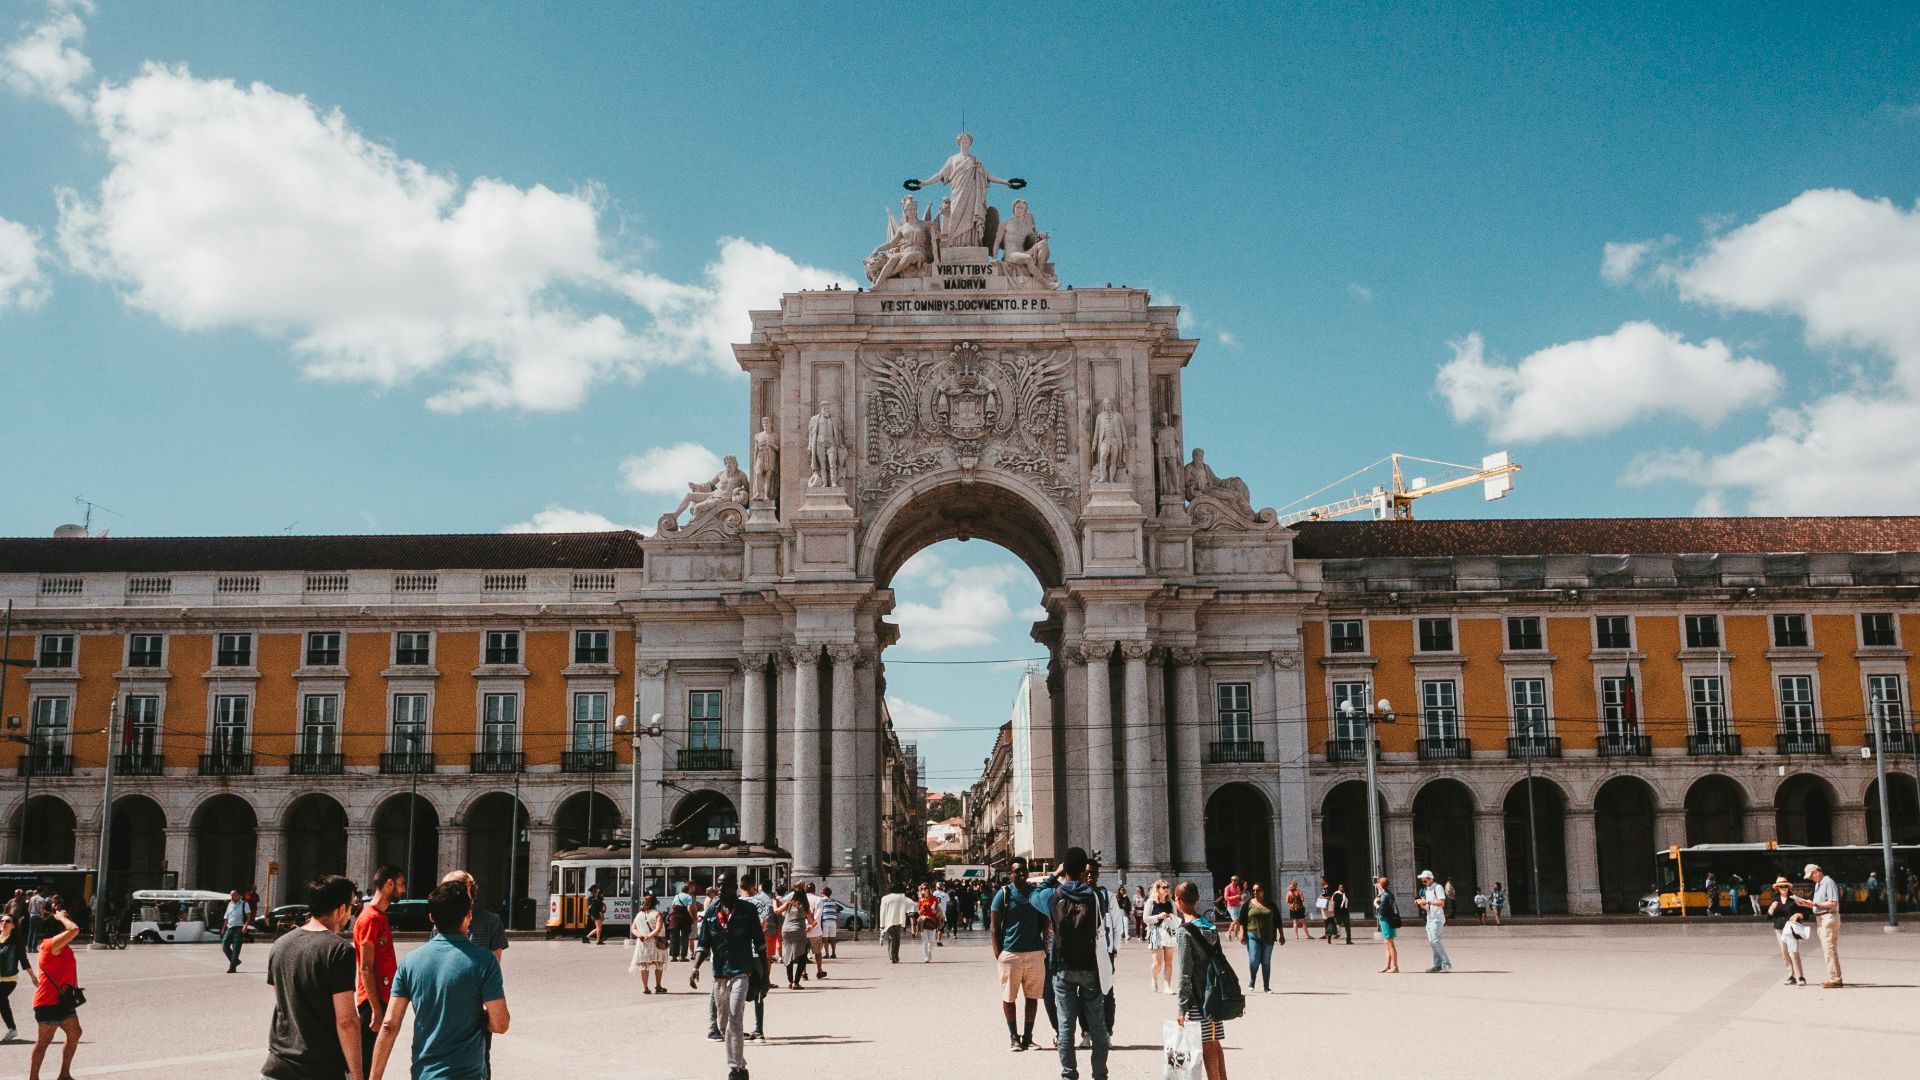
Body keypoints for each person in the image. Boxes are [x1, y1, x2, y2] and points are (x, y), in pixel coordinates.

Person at [369, 881, 508, 1080]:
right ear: (469, 915)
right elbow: (500, 1024)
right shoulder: (484, 961)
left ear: (432, 918)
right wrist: (481, 1018)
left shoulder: (410, 962)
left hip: (424, 1074)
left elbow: (389, 1024)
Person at [262, 875, 363, 1080]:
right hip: (320, 1070)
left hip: (276, 1067)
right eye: (352, 908)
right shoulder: (339, 950)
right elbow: (347, 1021)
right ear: (341, 909)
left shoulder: (281, 944)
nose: (351, 915)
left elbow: (283, 1002)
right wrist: (358, 1075)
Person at [688, 873, 766, 1080]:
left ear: (735, 887)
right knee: (724, 1024)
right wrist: (695, 968)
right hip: (720, 974)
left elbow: (760, 943)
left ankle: (735, 1069)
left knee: (736, 1017)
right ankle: (741, 1063)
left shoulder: (748, 910)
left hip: (741, 971)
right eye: (719, 885)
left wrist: (764, 975)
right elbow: (703, 943)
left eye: (725, 885)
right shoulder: (711, 911)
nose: (720, 888)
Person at [1048, 848, 1109, 1080]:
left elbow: (1036, 894)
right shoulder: (1096, 896)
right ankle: (1100, 1075)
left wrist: (1055, 874)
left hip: (1062, 967)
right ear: (1085, 869)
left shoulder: (1054, 896)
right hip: (1090, 966)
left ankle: (1069, 1075)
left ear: (1065, 868)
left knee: (1065, 1027)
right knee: (1097, 1026)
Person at [989, 856, 1048, 1052]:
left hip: (1034, 953)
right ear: (1011, 874)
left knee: (1032, 997)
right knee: (1009, 997)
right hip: (1011, 954)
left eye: (1024, 870)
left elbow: (1044, 921)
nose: (1022, 873)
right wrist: (999, 954)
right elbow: (994, 927)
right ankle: (1013, 1037)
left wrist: (1043, 948)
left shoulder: (1034, 894)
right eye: (1017, 871)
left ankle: (1028, 1038)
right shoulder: (1003, 894)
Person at [1172, 880, 1230, 1080]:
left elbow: (1184, 973)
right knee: (1214, 1042)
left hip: (1198, 998)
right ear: (1198, 898)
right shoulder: (1209, 925)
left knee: (1206, 1044)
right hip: (1214, 991)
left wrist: (1181, 1008)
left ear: (1178, 900)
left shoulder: (1184, 931)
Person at [354, 866, 404, 1080]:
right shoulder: (370, 918)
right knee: (366, 1062)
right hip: (372, 1000)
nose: (403, 890)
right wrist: (375, 1009)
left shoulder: (380, 916)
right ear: (389, 884)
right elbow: (366, 967)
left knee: (374, 1060)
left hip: (382, 997)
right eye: (401, 884)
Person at [28, 896, 81, 1080]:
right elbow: (74, 929)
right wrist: (62, 917)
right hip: (48, 1001)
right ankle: (33, 1078)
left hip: (63, 1000)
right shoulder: (50, 946)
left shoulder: (63, 947)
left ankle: (64, 1074)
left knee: (75, 1033)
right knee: (44, 1041)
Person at [1805, 863, 1844, 988]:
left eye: (1811, 876)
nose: (1811, 879)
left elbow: (1833, 903)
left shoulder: (1828, 882)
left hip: (1828, 916)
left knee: (1829, 949)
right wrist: (1808, 904)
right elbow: (1819, 904)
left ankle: (1835, 979)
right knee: (1828, 949)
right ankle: (1835, 977)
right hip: (1821, 918)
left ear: (1817, 872)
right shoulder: (1818, 884)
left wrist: (1815, 904)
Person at [1766, 876, 1811, 986]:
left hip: (1791, 929)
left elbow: (1806, 913)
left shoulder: (1794, 899)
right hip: (1779, 929)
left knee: (1793, 952)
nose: (1783, 888)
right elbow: (1769, 916)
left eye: (1785, 886)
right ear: (1777, 889)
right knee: (1785, 954)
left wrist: (1798, 914)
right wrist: (1771, 908)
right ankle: (1791, 976)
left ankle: (1800, 977)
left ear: (1788, 888)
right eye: (1781, 887)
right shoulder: (1775, 900)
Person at [0, 912, 34, 1041]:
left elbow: (24, 961)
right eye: (2, 920)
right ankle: (12, 1029)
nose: (4, 923)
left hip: (9, 979)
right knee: (2, 1002)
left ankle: (12, 1029)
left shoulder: (16, 941)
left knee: (1, 998)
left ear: (13, 926)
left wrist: (33, 977)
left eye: (8, 921)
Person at [629, 891, 668, 994]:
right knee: (658, 965)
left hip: (642, 944)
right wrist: (649, 936)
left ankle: (645, 988)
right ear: (655, 903)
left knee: (644, 966)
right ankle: (658, 986)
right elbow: (658, 929)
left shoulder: (639, 915)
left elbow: (633, 928)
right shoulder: (657, 914)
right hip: (656, 943)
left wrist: (639, 935)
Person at [1241, 884, 1276, 993]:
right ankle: (1252, 979)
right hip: (1252, 935)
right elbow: (1241, 920)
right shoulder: (1248, 904)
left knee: (1266, 961)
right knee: (1254, 959)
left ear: (1263, 891)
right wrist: (1242, 934)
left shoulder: (1270, 904)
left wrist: (1282, 935)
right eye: (1254, 890)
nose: (1255, 892)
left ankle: (1266, 987)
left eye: (1258, 890)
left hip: (1268, 936)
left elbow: (1277, 920)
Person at [1144, 880, 1177, 994]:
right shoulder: (1151, 902)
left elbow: (1176, 917)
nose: (1166, 889)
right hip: (1155, 932)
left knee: (1169, 960)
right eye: (1164, 887)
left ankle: (1167, 986)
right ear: (1157, 889)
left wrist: (1171, 917)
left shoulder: (1171, 902)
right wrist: (1158, 917)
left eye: (1167, 887)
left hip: (1168, 932)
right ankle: (1154, 978)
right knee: (1158, 961)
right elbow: (1145, 918)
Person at [775, 884, 811, 988]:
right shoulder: (805, 905)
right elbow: (811, 920)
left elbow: (777, 911)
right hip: (798, 930)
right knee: (802, 956)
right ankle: (796, 982)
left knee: (788, 954)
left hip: (786, 930)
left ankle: (790, 981)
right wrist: (811, 923)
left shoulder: (789, 904)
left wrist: (774, 902)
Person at [1416, 870, 1451, 972]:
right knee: (1433, 942)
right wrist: (1420, 904)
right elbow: (1428, 907)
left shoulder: (1437, 887)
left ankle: (1446, 964)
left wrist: (1427, 901)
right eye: (1422, 881)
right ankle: (1437, 965)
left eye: (1425, 881)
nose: (1424, 883)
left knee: (1435, 941)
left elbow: (1441, 903)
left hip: (1437, 918)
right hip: (1430, 918)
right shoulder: (1427, 890)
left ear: (1430, 879)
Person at [879, 882, 910, 964]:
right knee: (897, 938)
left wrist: (882, 925)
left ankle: (893, 956)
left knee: (892, 938)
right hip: (898, 920)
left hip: (888, 921)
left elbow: (882, 912)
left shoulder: (885, 898)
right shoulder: (902, 897)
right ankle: (895, 955)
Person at [1374, 876, 1400, 973]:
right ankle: (1387, 966)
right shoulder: (1388, 894)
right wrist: (1380, 892)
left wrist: (1375, 904)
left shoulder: (1385, 896)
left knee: (1390, 944)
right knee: (1387, 944)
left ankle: (1395, 967)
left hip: (1386, 920)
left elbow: (1381, 910)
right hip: (1389, 920)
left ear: (1381, 885)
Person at [222, 887, 250, 973]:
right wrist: (223, 929)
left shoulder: (244, 904)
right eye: (231, 895)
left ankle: (232, 967)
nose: (232, 896)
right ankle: (236, 961)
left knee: (236, 948)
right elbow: (226, 918)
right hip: (230, 928)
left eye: (234, 895)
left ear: (238, 896)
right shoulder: (229, 904)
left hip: (239, 929)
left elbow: (249, 916)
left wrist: (245, 926)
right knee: (225, 946)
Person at [669, 883, 697, 962]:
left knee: (674, 938)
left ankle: (674, 956)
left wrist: (672, 916)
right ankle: (683, 957)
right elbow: (689, 909)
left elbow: (673, 907)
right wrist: (692, 918)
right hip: (685, 918)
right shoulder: (689, 897)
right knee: (685, 938)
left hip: (675, 918)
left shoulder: (676, 896)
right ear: (688, 890)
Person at [914, 883, 941, 963]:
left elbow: (936, 910)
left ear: (928, 889)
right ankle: (926, 957)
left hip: (932, 921)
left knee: (932, 941)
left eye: (925, 888)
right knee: (924, 941)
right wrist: (922, 908)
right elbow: (919, 913)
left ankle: (929, 951)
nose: (923, 890)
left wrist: (934, 910)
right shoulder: (920, 900)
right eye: (922, 889)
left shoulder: (934, 898)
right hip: (923, 921)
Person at [817, 886, 840, 961]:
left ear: (824, 893)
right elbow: (836, 912)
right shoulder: (833, 901)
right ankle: (833, 953)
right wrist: (837, 921)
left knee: (825, 938)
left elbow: (820, 911)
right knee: (833, 938)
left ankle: (827, 954)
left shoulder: (822, 900)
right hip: (833, 921)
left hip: (825, 920)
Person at [1220, 876, 1244, 942]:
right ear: (1231, 880)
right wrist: (1236, 897)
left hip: (1238, 906)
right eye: (1232, 880)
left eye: (1235, 880)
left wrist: (1241, 899)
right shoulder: (1228, 888)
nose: (1233, 881)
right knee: (1236, 920)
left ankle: (1235, 936)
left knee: (1237, 921)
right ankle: (1228, 932)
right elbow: (1226, 898)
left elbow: (1239, 897)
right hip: (1231, 906)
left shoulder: (1238, 888)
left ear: (1237, 881)